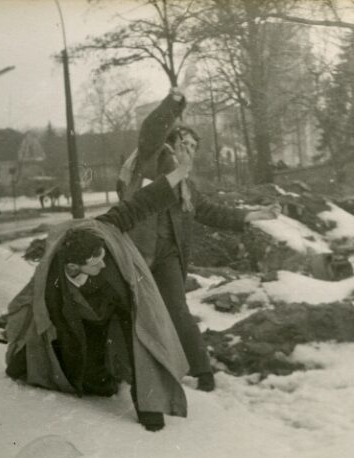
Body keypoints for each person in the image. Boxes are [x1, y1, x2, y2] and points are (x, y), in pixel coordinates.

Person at [5, 161, 195, 431]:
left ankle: (147, 407)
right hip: (78, 321)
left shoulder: (106, 233)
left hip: (114, 309)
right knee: (49, 370)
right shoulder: (53, 285)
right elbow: (52, 326)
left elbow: (139, 204)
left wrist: (174, 176)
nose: (103, 265)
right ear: (73, 267)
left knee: (135, 343)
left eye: (103, 257)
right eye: (95, 263)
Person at [117, 89, 280, 392]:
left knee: (177, 309)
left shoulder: (186, 183)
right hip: (136, 250)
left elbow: (206, 210)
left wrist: (251, 216)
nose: (189, 150)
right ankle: (126, 372)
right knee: (132, 310)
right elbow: (151, 129)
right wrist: (174, 104)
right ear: (171, 142)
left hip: (167, 254)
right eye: (185, 143)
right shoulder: (150, 157)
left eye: (193, 146)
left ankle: (203, 373)